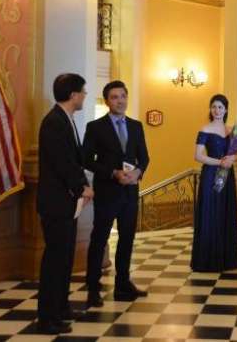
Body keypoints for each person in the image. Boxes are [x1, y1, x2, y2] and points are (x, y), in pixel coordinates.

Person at [82, 81, 149, 307]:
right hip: (107, 192)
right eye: (114, 97)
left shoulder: (136, 126)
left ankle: (123, 284)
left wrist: (137, 172)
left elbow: (145, 158)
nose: (120, 100)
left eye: (123, 96)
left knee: (127, 239)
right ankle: (93, 287)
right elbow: (85, 159)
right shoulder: (95, 127)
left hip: (130, 193)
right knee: (99, 239)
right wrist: (113, 173)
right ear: (107, 101)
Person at [37, 73, 93, 334]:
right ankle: (47, 317)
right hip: (56, 204)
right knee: (55, 260)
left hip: (67, 204)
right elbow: (62, 163)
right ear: (73, 95)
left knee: (65, 258)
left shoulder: (66, 119)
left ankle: (61, 307)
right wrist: (82, 186)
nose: (84, 96)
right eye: (83, 92)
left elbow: (76, 159)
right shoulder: (54, 123)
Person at [191, 94, 237, 272]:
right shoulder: (205, 129)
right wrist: (219, 162)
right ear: (210, 110)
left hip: (227, 175)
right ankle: (207, 260)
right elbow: (198, 156)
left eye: (220, 107)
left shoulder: (232, 130)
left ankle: (227, 259)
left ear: (226, 109)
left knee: (225, 212)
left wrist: (231, 158)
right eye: (214, 107)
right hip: (211, 174)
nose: (217, 110)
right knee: (210, 212)